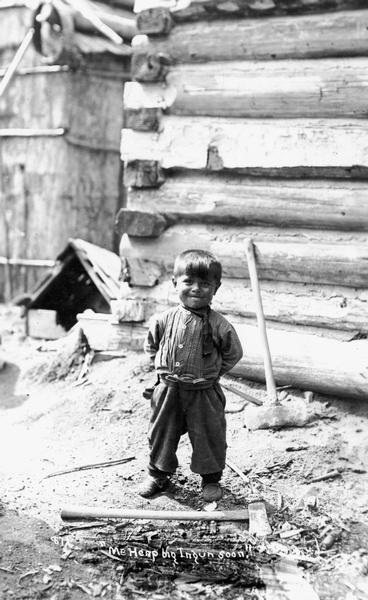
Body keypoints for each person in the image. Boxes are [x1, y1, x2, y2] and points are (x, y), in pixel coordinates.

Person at [140, 249, 243, 502]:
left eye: (205, 284)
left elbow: (233, 353)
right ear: (175, 283)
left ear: (216, 288)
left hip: (204, 393)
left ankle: (210, 480)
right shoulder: (163, 320)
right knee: (162, 431)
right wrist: (161, 371)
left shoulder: (220, 325)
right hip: (168, 390)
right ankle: (158, 475)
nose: (196, 288)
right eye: (188, 282)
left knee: (209, 434)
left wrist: (212, 373)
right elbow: (151, 346)